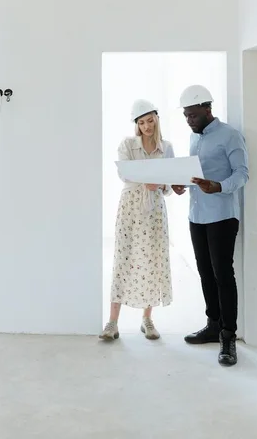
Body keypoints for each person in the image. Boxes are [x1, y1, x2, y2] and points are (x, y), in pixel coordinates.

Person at [171, 85, 248, 367]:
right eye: (185, 116)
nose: (188, 120)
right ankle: (213, 325)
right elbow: (196, 176)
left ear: (207, 109)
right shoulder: (195, 138)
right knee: (205, 272)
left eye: (192, 115)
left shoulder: (230, 136)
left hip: (222, 216)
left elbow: (242, 174)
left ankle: (228, 336)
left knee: (222, 274)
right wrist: (182, 184)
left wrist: (218, 186)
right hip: (197, 216)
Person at [100, 100, 174, 342]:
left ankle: (147, 319)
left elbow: (169, 185)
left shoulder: (167, 148)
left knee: (152, 259)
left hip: (154, 210)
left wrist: (159, 183)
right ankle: (112, 322)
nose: (147, 127)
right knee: (123, 258)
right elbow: (125, 174)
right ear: (137, 125)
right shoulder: (127, 145)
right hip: (130, 207)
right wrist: (150, 179)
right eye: (141, 123)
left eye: (150, 121)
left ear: (157, 119)